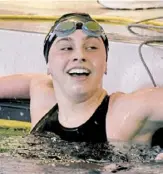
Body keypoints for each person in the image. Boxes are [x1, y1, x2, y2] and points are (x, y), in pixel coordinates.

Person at [0, 13, 163, 148]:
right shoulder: (43, 98)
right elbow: (28, 81)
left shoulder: (124, 112)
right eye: (66, 48)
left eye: (91, 47)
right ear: (48, 64)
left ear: (105, 64)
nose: (80, 56)